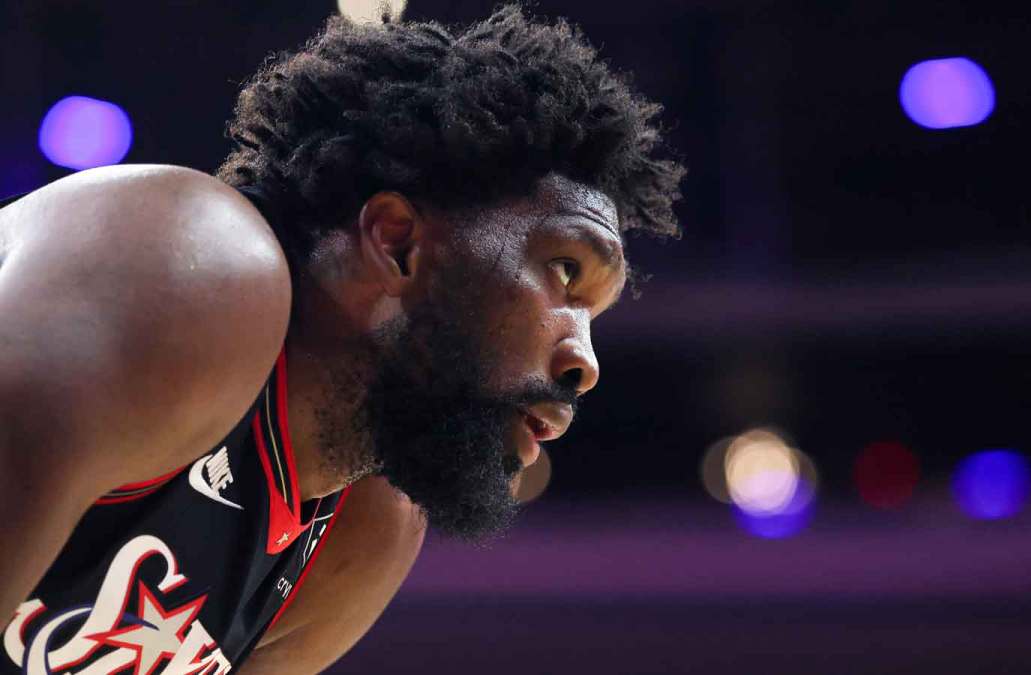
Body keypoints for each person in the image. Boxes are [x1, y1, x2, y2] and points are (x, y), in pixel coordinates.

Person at [0, 5, 683, 673]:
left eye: (595, 312)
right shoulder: (199, 266)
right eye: (566, 272)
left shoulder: (366, 526)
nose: (585, 361)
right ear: (397, 243)